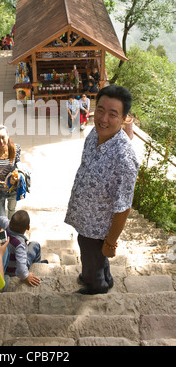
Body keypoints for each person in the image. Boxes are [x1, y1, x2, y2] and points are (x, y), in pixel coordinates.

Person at [65, 85, 139, 295]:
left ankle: (96, 286)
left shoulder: (124, 159)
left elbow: (123, 207)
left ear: (124, 118)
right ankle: (103, 276)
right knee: (94, 256)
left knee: (91, 252)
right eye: (100, 110)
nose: (103, 119)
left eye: (112, 114)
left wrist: (111, 242)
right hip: (84, 216)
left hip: (97, 228)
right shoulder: (94, 134)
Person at [0, 210, 45, 288]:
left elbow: (0, 219)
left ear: (10, 223)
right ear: (28, 227)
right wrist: (26, 276)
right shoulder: (20, 245)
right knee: (35, 245)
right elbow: (21, 269)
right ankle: (37, 265)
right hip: (12, 271)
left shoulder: (5, 224)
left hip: (1, 264)